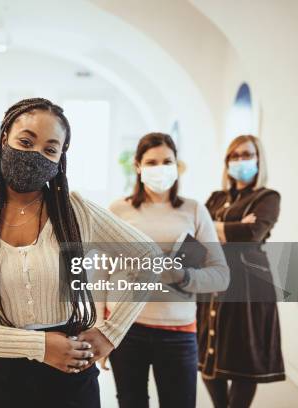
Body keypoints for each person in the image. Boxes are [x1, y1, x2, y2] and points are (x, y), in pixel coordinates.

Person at [0, 98, 164, 408]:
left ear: (60, 159)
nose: (36, 154)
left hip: (71, 374)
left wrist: (112, 332)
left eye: (50, 149)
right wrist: (38, 346)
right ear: (4, 139)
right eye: (26, 141)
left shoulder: (76, 212)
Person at [106, 133, 229, 408]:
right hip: (126, 329)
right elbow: (101, 272)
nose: (159, 168)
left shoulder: (194, 211)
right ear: (138, 166)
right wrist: (100, 328)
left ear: (176, 165)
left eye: (166, 161)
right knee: (131, 402)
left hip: (178, 332)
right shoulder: (118, 210)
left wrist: (183, 276)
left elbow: (221, 274)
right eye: (151, 162)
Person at [198, 135, 285, 408]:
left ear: (259, 158)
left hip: (248, 285)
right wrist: (229, 228)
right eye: (234, 156)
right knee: (208, 353)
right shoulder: (216, 197)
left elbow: (252, 233)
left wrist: (215, 228)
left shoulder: (267, 197)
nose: (240, 161)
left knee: (244, 354)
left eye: (247, 155)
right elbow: (195, 234)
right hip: (211, 282)